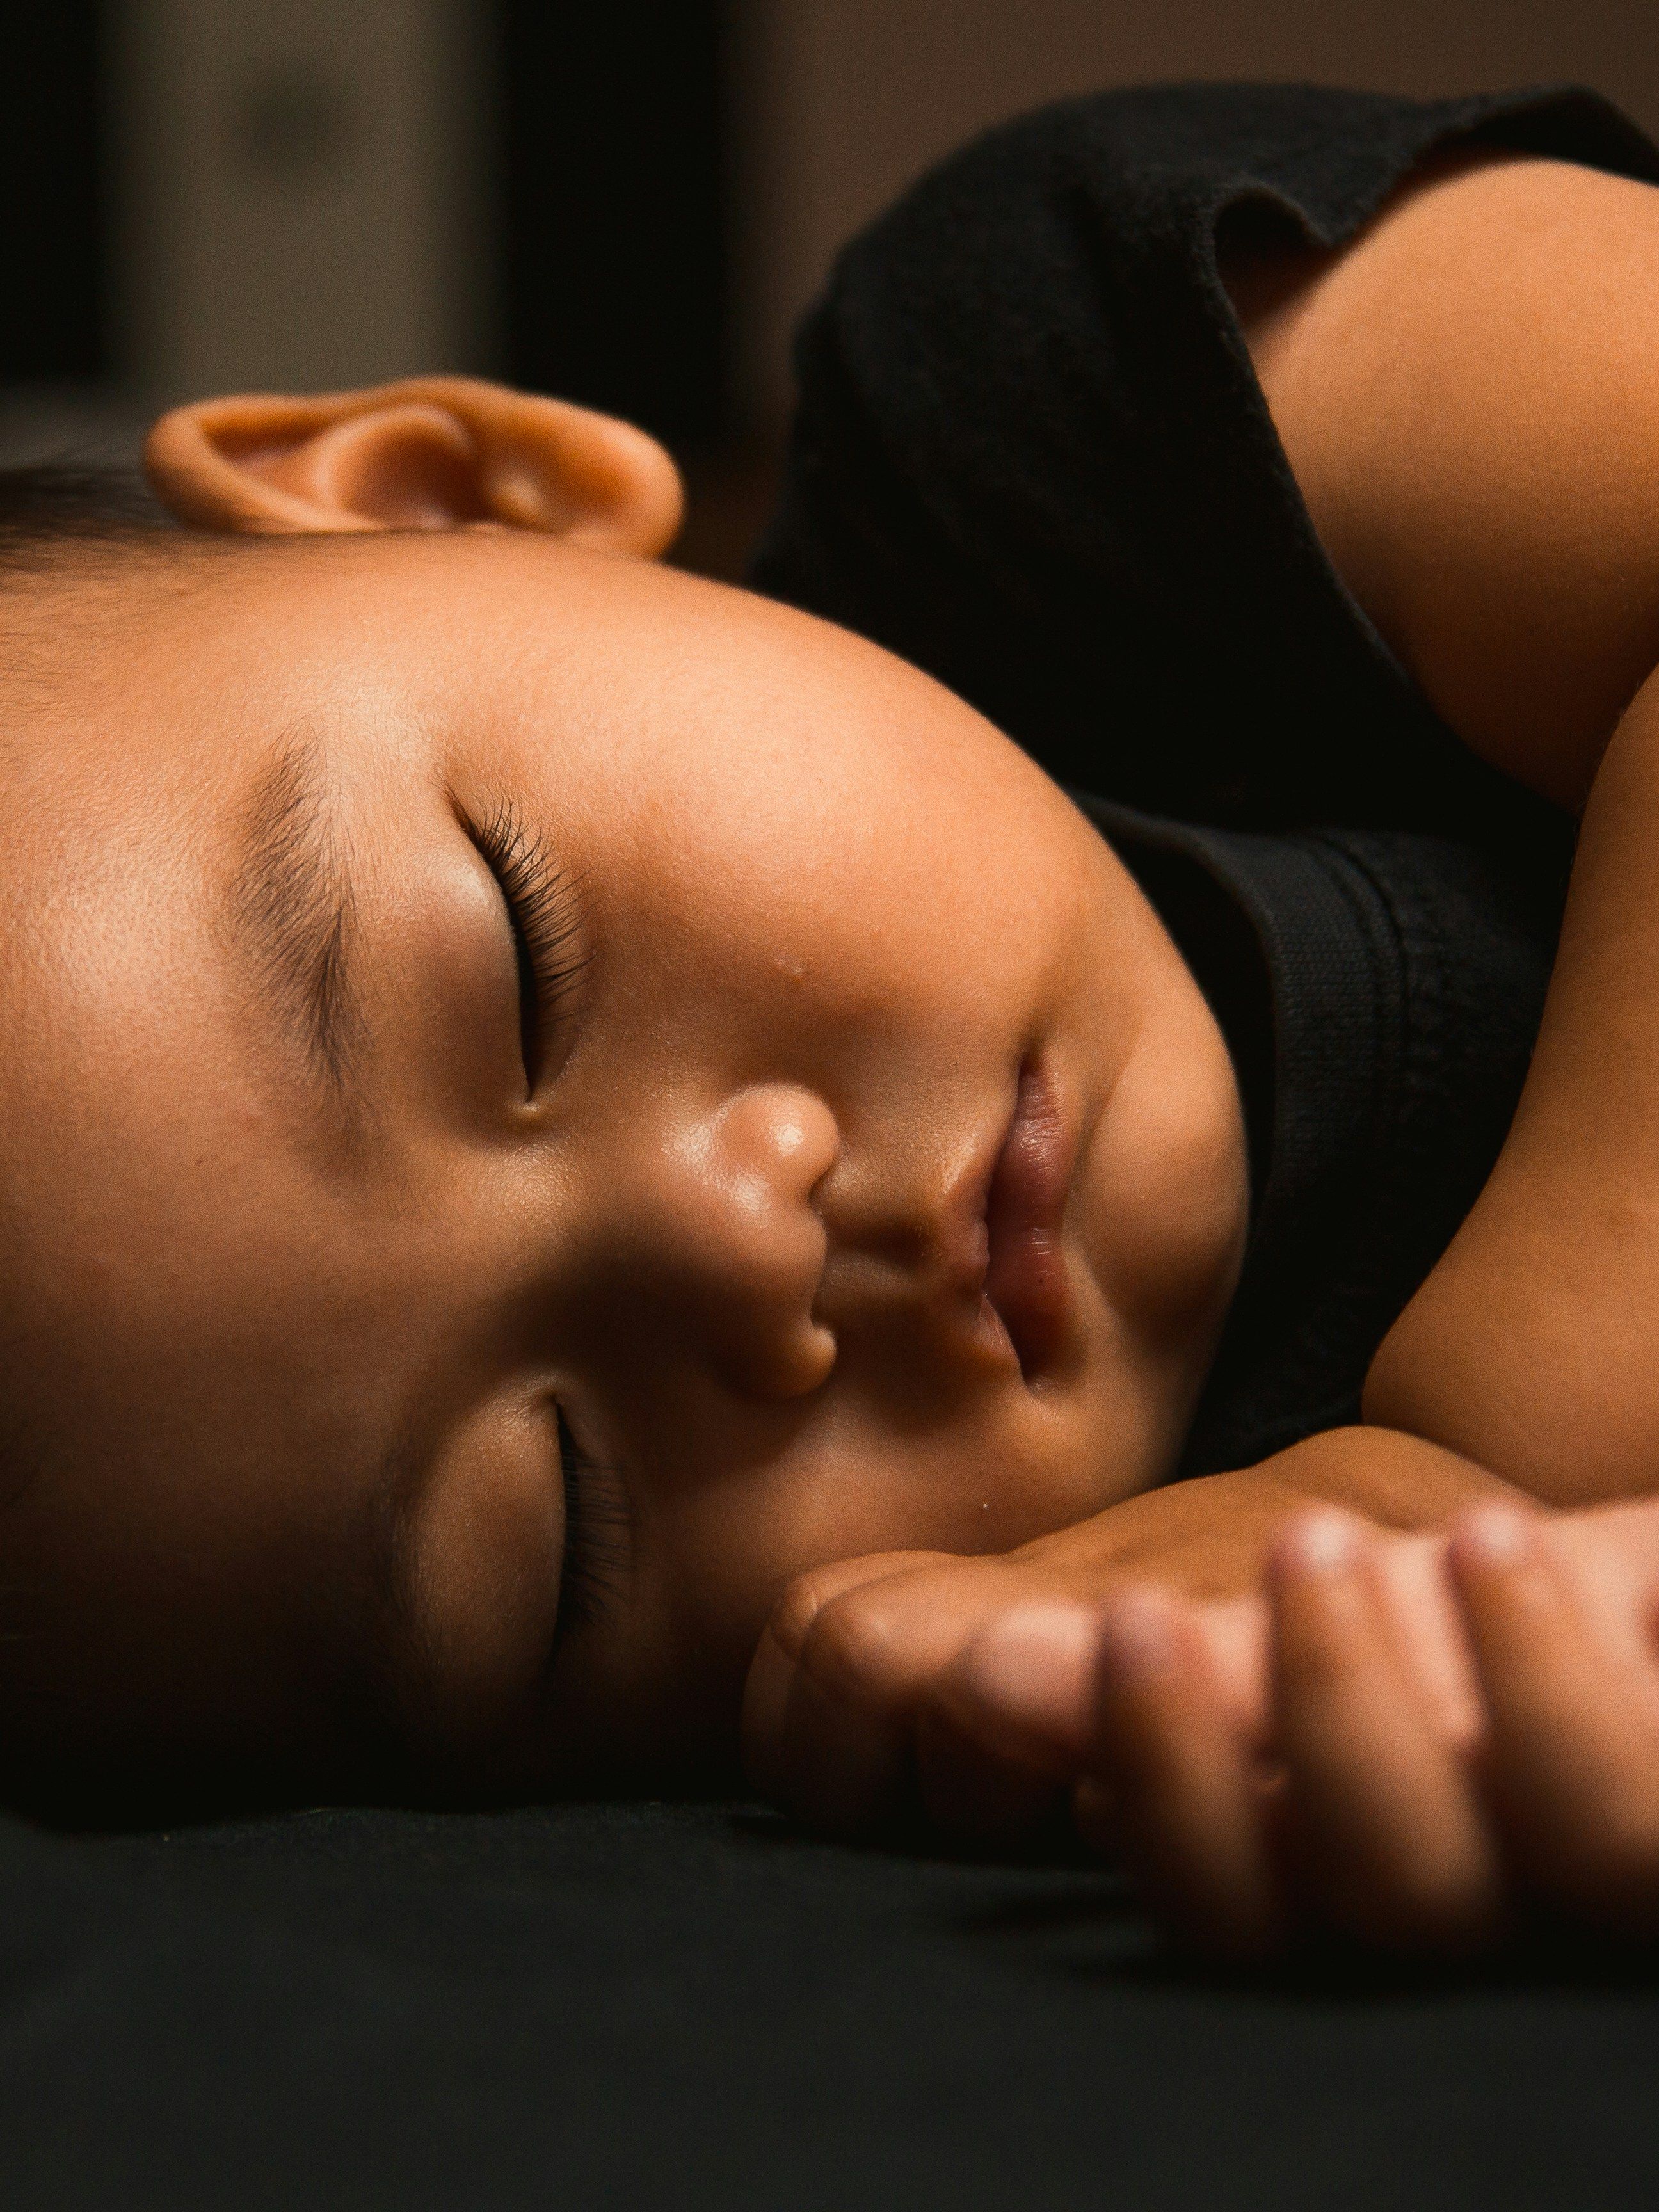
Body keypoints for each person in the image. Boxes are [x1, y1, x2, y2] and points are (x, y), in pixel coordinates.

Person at [0, 76, 1650, 1963]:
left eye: (523, 971)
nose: (740, 1243)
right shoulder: (1115, 1674)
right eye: (555, 1536)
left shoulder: (1057, 408)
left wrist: (1484, 1479)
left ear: (458, 501)